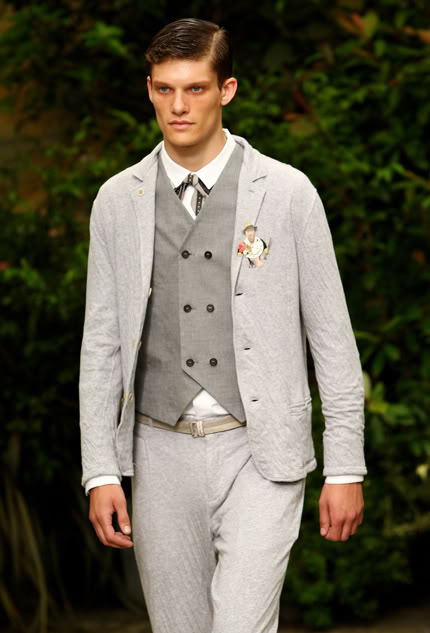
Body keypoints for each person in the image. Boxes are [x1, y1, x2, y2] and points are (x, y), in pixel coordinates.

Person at [79, 17, 367, 633]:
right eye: (164, 89)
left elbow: (332, 338)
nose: (178, 106)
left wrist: (345, 465)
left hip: (259, 450)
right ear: (149, 89)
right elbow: (101, 346)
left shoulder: (288, 193)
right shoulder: (117, 201)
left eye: (196, 89)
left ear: (227, 90)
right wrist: (100, 470)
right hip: (157, 451)